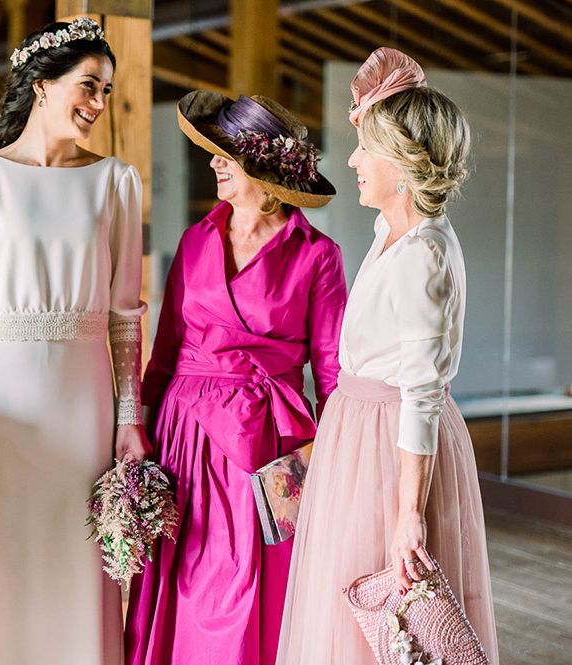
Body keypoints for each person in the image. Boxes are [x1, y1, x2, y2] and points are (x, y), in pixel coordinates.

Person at [0, 17, 149, 664]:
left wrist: (128, 417)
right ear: (42, 85)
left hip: (81, 406)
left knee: (74, 564)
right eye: (88, 85)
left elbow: (124, 317)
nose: (97, 104)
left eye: (107, 92)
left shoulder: (115, 181)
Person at [277, 47, 499, 664]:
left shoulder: (424, 253)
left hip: (390, 446)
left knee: (391, 611)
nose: (352, 159)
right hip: (359, 435)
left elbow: (421, 394)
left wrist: (409, 513)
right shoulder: (390, 234)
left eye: (364, 147)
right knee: (349, 611)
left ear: (401, 164)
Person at [125, 91, 347, 665]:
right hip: (185, 435)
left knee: (249, 582)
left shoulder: (317, 255)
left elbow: (331, 367)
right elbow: (167, 345)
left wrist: (340, 455)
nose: (214, 164)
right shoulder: (195, 239)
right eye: (213, 153)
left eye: (225, 154)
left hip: (266, 442)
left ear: (264, 170)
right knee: (187, 575)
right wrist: (138, 428)